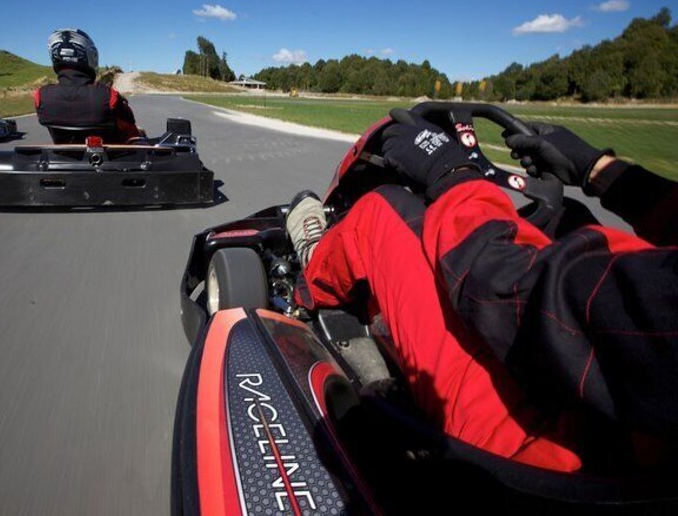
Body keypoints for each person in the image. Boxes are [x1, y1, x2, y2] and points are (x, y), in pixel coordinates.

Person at [287, 116, 678, 473]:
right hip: (614, 418)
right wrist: (598, 170)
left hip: (546, 450)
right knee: (568, 219)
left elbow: (505, 285)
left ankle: (310, 274)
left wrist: (453, 174)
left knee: (383, 211)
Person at [34, 28, 143, 144]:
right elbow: (131, 131)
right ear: (90, 56)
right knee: (141, 134)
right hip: (109, 159)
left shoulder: (40, 96)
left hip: (61, 159)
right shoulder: (109, 96)